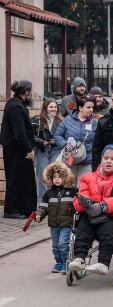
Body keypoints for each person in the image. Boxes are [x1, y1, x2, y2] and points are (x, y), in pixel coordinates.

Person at [68, 145, 113, 275]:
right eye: (106, 158)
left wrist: (104, 206)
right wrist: (84, 202)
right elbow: (79, 199)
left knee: (108, 232)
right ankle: (79, 258)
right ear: (101, 160)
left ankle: (103, 263)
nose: (109, 161)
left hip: (112, 215)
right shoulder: (87, 177)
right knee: (82, 230)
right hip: (90, 213)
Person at [1, 80, 37, 218]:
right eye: (31, 91)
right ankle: (11, 210)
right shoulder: (16, 107)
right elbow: (19, 133)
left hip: (15, 149)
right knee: (16, 180)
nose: (32, 93)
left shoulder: (14, 103)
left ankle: (22, 209)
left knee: (21, 179)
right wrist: (28, 149)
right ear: (26, 92)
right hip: (17, 150)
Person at [34, 162, 78, 273]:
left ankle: (66, 262)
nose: (57, 179)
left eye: (60, 177)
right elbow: (43, 206)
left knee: (63, 243)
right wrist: (39, 215)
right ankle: (59, 262)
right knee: (55, 245)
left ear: (66, 177)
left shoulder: (73, 191)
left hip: (67, 224)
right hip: (54, 224)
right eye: (54, 177)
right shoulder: (49, 193)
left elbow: (78, 206)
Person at [54, 93, 98, 187]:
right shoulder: (67, 120)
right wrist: (65, 144)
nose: (91, 110)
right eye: (88, 107)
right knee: (69, 187)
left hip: (87, 161)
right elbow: (57, 135)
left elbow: (99, 140)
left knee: (83, 188)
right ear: (80, 108)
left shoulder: (95, 123)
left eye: (92, 107)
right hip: (70, 160)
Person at [32, 98, 64, 206]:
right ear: (45, 108)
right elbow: (31, 136)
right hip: (42, 150)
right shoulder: (37, 119)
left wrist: (57, 141)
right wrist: (41, 142)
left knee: (56, 176)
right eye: (51, 107)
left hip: (56, 150)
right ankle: (41, 204)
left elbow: (66, 136)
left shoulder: (61, 121)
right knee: (42, 178)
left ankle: (54, 204)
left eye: (55, 107)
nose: (54, 109)